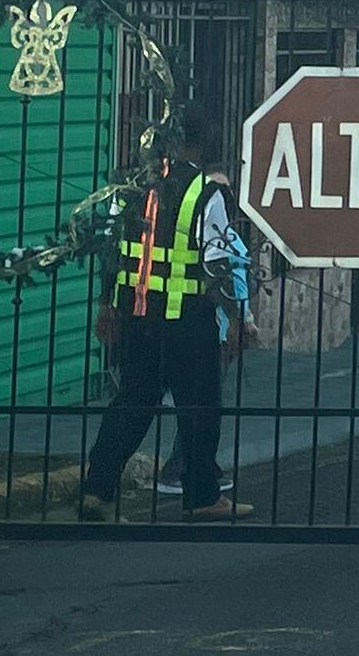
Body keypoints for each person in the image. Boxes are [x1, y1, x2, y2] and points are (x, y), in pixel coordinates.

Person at [81, 107, 254, 521]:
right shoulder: (205, 193)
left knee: (132, 404)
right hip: (188, 320)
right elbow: (219, 265)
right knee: (200, 410)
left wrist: (108, 306)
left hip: (138, 317)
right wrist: (235, 320)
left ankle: (97, 490)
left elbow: (112, 253)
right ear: (200, 144)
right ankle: (203, 496)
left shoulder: (133, 188)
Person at [155, 162, 256, 497]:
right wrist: (242, 320)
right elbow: (229, 278)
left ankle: (201, 470)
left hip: (210, 328)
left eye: (225, 191)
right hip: (211, 329)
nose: (221, 197)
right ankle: (182, 470)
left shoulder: (227, 235)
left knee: (198, 404)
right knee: (201, 405)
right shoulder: (217, 237)